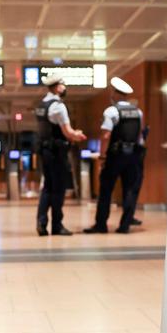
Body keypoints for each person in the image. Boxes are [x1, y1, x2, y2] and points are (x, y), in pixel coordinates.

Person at [84, 76, 143, 234]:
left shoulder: (112, 111)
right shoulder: (138, 112)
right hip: (133, 157)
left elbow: (105, 136)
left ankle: (101, 225)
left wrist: (102, 156)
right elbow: (139, 136)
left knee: (106, 190)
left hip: (115, 156)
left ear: (116, 94)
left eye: (112, 92)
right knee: (129, 189)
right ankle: (125, 226)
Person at [35, 75, 86, 236]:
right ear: (57, 87)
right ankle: (57, 225)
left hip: (45, 151)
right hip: (57, 152)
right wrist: (78, 135)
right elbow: (67, 132)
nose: (65, 88)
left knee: (47, 188)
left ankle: (42, 223)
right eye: (63, 85)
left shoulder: (41, 105)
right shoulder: (58, 106)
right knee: (58, 189)